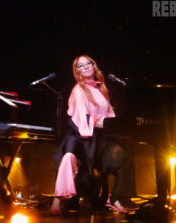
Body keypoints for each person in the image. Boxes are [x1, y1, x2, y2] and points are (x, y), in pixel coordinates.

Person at [50, 55, 136, 214]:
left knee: (126, 159)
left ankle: (115, 198)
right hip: (81, 139)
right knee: (68, 158)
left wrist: (119, 129)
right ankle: (57, 201)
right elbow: (84, 118)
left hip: (98, 138)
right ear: (78, 72)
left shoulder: (101, 88)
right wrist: (102, 124)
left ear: (93, 65)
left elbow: (109, 115)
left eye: (88, 63)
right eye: (81, 66)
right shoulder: (79, 90)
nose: (86, 67)